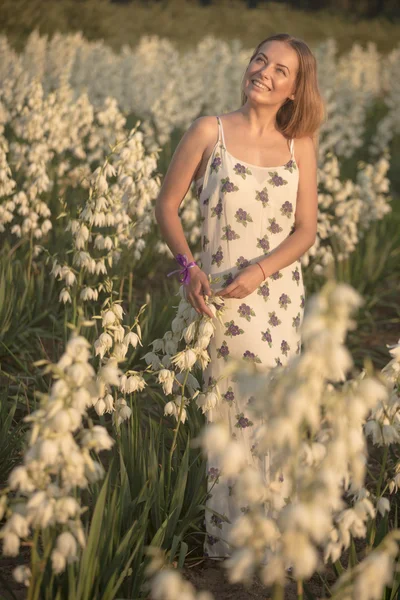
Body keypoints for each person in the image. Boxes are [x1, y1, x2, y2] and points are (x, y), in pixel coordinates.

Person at [155, 33, 325, 560]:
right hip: (218, 299)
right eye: (260, 60)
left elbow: (305, 230)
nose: (264, 73)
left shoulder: (301, 147)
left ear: (295, 92)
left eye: (280, 72)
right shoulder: (211, 131)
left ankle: (271, 538)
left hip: (277, 298)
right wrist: (188, 268)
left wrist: (262, 270)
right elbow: (166, 206)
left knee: (272, 411)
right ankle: (232, 543)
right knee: (232, 415)